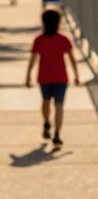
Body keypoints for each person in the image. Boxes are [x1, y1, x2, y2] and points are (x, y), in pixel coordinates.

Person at [25, 9, 79, 145]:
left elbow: (33, 59)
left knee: (45, 101)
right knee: (59, 105)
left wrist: (28, 76)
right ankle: (57, 134)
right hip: (61, 78)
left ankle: (46, 122)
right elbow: (72, 59)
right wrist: (77, 75)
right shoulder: (63, 40)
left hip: (44, 77)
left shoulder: (39, 40)